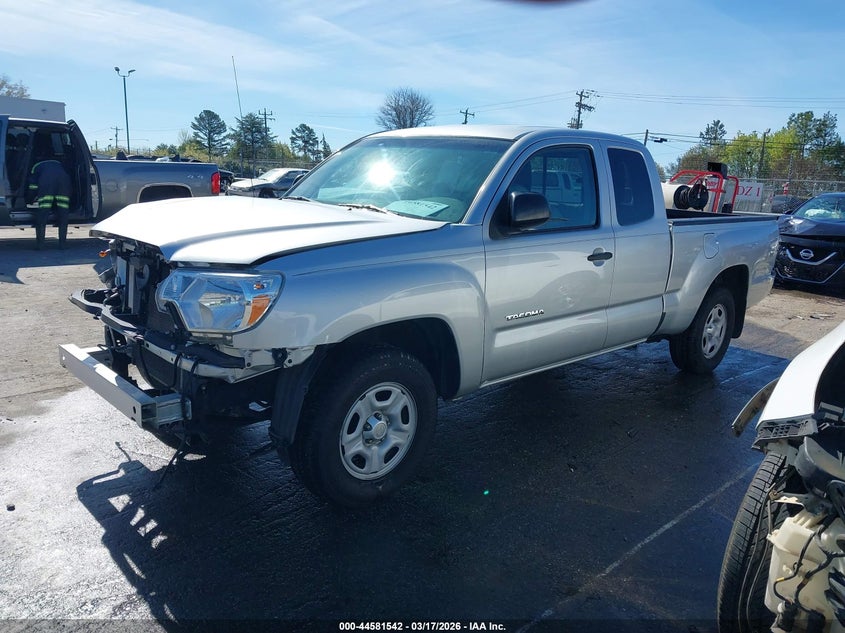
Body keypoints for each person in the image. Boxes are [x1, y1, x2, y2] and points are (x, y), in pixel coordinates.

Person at [27, 155, 72, 249]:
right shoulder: (59, 164)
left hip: (46, 186)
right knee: (63, 215)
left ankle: (40, 245)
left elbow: (33, 186)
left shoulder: (36, 166)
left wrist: (29, 199)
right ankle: (63, 245)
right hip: (64, 185)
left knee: (43, 214)